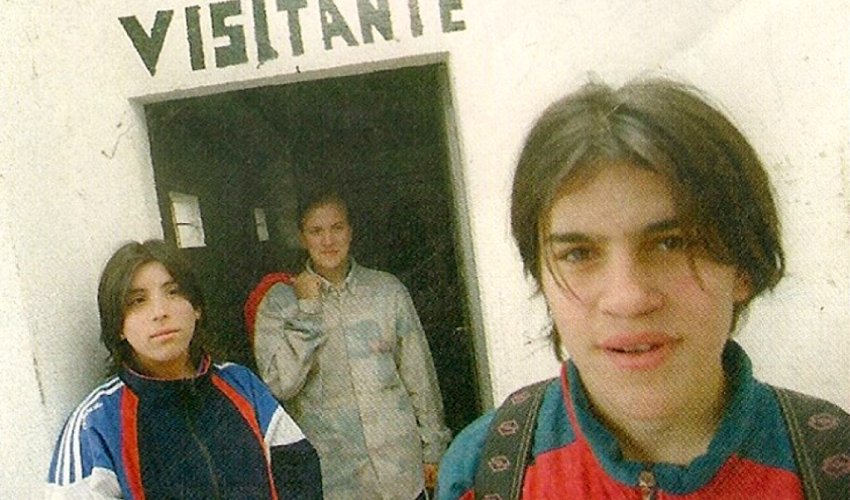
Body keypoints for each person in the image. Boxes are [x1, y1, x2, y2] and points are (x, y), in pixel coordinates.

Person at [436, 78, 850, 498]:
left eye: (672, 243)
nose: (627, 298)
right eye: (578, 253)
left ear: (743, 266)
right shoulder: (481, 469)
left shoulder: (832, 466)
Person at [46, 239, 322, 499]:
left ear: (196, 307)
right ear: (118, 325)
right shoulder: (96, 423)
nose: (160, 312)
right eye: (138, 301)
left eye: (173, 292)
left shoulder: (242, 385)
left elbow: (300, 473)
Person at [253, 190, 452, 499]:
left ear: (350, 231)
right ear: (302, 238)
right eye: (316, 231)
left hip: (401, 470)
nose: (328, 240)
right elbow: (280, 385)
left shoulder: (387, 291)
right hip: (335, 478)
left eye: (337, 227)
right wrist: (308, 311)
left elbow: (419, 376)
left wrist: (434, 448)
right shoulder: (279, 304)